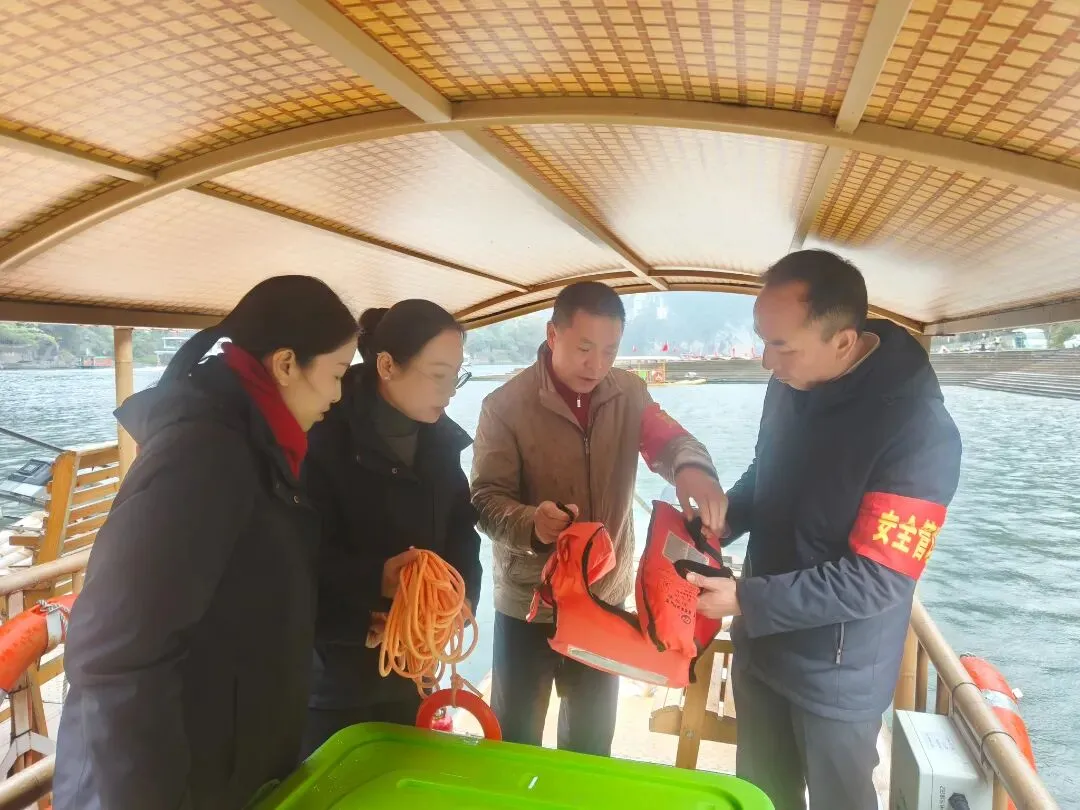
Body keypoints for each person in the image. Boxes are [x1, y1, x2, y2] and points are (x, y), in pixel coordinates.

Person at [54, 276, 358, 810]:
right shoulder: (205, 455)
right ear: (286, 364)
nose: (337, 395)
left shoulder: (260, 447)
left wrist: (358, 614)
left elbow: (252, 595)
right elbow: (117, 654)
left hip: (227, 767)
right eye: (335, 374)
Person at [689, 250, 962, 810]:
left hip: (836, 674)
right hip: (762, 646)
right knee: (761, 794)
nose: (768, 362)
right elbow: (768, 470)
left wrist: (744, 597)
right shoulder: (790, 383)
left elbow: (877, 579)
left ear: (843, 342)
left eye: (782, 346)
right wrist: (725, 518)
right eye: (763, 342)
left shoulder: (918, 431)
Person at [470, 281, 727, 756]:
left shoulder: (629, 393)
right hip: (530, 602)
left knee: (591, 741)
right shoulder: (504, 406)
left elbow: (672, 441)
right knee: (514, 740)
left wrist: (692, 469)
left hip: (605, 597)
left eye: (610, 351)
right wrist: (532, 523)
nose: (596, 365)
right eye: (584, 348)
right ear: (552, 335)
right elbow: (485, 500)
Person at [300, 300, 482, 757]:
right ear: (386, 366)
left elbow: (462, 528)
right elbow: (294, 559)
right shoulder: (323, 439)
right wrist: (374, 583)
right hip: (334, 683)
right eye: (437, 374)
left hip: (412, 674)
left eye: (456, 375)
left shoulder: (441, 440)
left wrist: (461, 601)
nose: (450, 391)